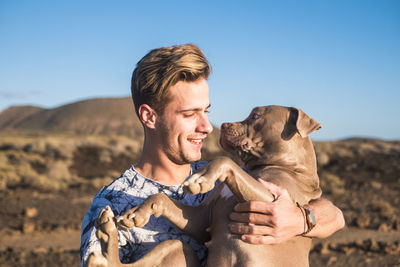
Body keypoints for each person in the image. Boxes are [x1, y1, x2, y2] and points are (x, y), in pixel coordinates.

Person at [80, 43, 345, 266]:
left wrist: (300, 219)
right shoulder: (111, 206)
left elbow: (335, 216)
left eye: (206, 111)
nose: (207, 126)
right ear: (149, 116)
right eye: (189, 114)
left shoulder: (218, 177)